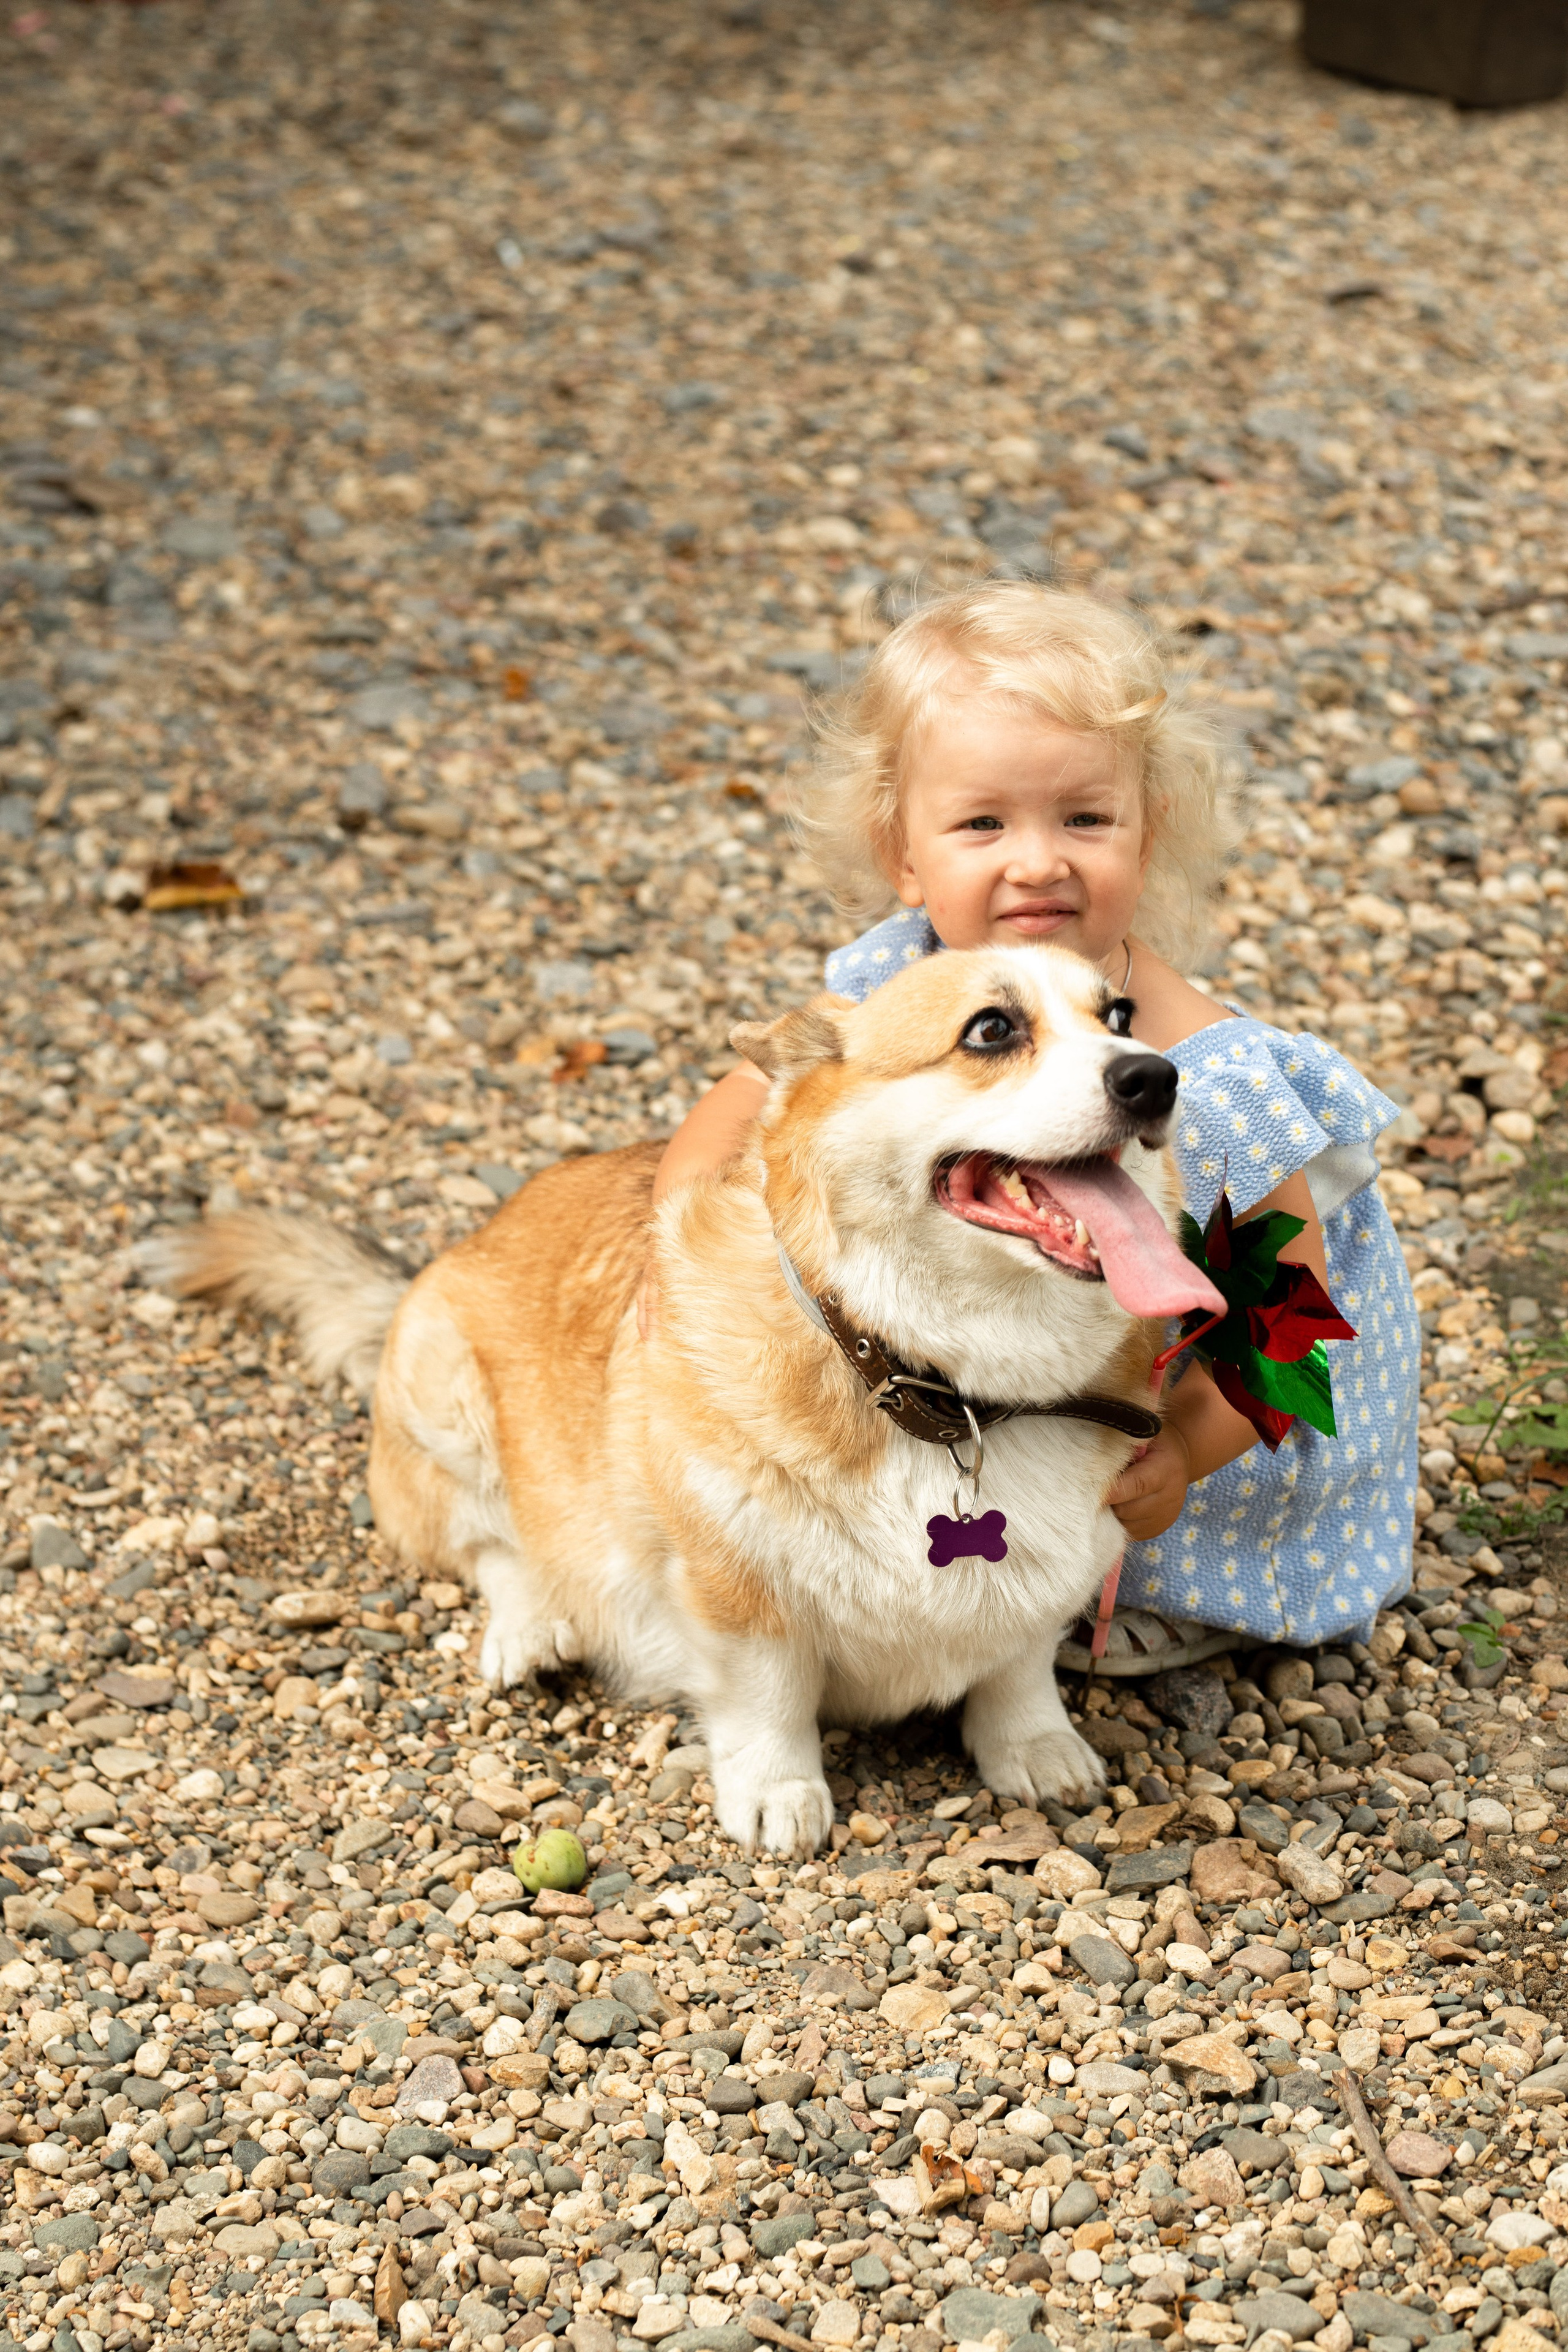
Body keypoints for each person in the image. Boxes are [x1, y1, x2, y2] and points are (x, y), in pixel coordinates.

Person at [644, 581, 1417, 1667]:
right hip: (998, 1394)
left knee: (1129, 1514)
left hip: (1199, 1438)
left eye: (1086, 818)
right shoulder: (894, 986)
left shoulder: (1208, 1076)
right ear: (905, 854)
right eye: (983, 822)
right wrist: (668, 1274)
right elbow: (721, 1135)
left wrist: (1187, 1455)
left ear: (1149, 836)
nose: (1040, 859)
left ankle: (1176, 1596)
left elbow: (1284, 1331)